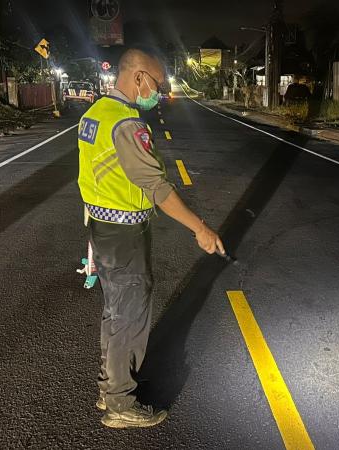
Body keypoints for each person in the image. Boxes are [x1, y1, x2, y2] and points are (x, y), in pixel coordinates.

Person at [77, 47, 225, 429]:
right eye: (158, 84)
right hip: (124, 234)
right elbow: (156, 187)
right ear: (139, 77)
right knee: (129, 314)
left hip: (101, 226)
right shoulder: (127, 124)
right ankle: (120, 403)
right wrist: (200, 228)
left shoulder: (95, 114)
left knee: (115, 311)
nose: (159, 93)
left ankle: (111, 387)